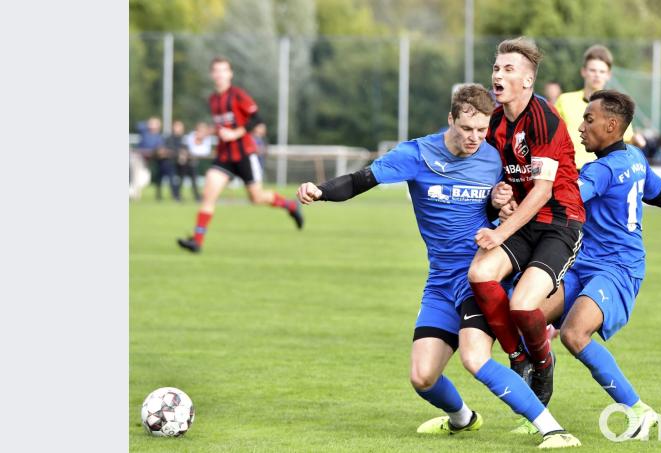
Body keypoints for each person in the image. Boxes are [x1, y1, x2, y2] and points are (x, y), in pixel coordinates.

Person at [296, 84, 579, 449]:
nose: (475, 138)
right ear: (451, 119)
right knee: (423, 377)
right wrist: (320, 190)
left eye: (481, 130)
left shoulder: (496, 158)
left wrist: (500, 203)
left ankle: (552, 429)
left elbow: (516, 203)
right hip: (441, 282)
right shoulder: (417, 153)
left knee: (474, 359)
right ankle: (463, 419)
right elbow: (360, 180)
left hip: (481, 277)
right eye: (466, 129)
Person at [501, 90, 661, 440]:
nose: (581, 127)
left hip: (618, 268)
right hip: (582, 262)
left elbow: (564, 198)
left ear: (612, 125)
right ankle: (535, 410)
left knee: (575, 335)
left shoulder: (602, 170)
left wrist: (514, 205)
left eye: (589, 120)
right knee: (526, 319)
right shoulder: (635, 157)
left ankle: (638, 410)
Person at [467, 38, 584, 449]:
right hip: (523, 221)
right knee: (480, 272)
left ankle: (544, 361)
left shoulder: (545, 120)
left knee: (522, 304)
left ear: (528, 79)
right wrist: (497, 193)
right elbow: (502, 179)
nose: (498, 75)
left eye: (508, 69)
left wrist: (500, 231)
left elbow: (541, 191)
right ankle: (519, 356)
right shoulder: (496, 122)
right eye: (496, 68)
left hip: (559, 223)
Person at [177, 57, 303, 253]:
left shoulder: (237, 95)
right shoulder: (213, 99)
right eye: (216, 71)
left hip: (245, 154)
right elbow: (222, 126)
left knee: (257, 198)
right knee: (208, 195)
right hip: (224, 156)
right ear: (212, 75)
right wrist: (207, 133)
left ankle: (291, 205)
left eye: (223, 70)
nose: (219, 75)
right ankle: (197, 241)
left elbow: (257, 120)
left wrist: (235, 133)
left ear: (230, 74)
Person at [554, 44, 636, 169]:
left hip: (605, 170)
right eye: (592, 70)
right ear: (583, 71)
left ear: (608, 75)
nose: (597, 75)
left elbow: (626, 141)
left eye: (602, 71)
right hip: (569, 170)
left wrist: (636, 142)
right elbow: (553, 135)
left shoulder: (617, 106)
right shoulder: (564, 100)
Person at [165, 120, 191, 201]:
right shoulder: (169, 138)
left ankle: (178, 194)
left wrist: (184, 154)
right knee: (172, 179)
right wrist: (179, 153)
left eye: (180, 127)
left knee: (181, 178)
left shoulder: (184, 138)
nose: (178, 128)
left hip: (182, 163)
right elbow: (169, 149)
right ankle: (175, 195)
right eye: (177, 126)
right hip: (171, 162)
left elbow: (187, 149)